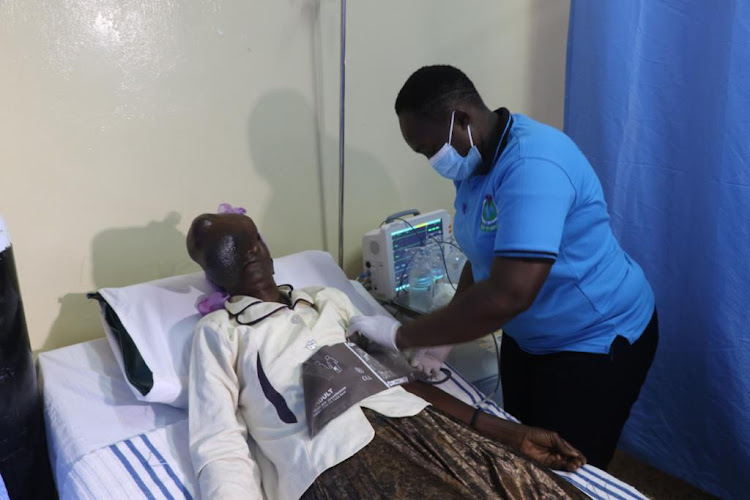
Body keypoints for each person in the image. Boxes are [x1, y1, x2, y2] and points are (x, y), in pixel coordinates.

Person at [348, 65, 658, 469]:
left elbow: (511, 292)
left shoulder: (535, 165)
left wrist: (401, 334)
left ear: (461, 119)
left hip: (596, 339)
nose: (431, 160)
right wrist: (442, 337)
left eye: (428, 149)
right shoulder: (476, 164)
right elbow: (482, 259)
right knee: (523, 446)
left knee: (565, 472)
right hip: (530, 338)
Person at [186, 212, 587, 500]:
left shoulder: (329, 301)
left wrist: (509, 433)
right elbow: (218, 440)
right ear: (211, 272)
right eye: (228, 252)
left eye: (252, 240)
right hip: (334, 458)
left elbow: (403, 380)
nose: (250, 254)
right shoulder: (220, 333)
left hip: (421, 429)